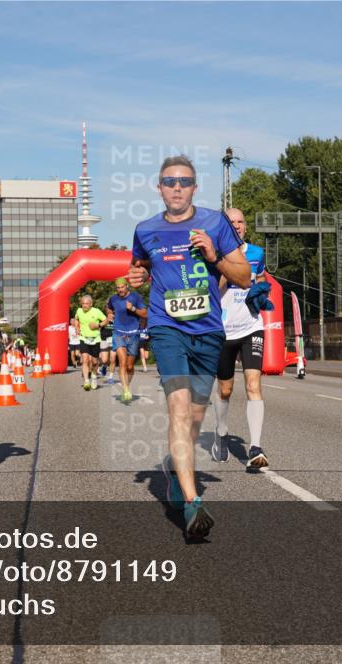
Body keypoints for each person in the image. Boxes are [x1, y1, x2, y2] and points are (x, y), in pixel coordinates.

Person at [127, 155, 250, 539]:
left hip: (209, 329)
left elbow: (244, 276)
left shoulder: (215, 222)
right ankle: (193, 503)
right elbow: (140, 269)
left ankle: (177, 477)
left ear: (195, 187)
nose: (176, 187)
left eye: (184, 182)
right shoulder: (145, 230)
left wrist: (214, 256)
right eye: (169, 181)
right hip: (167, 328)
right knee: (179, 411)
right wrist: (138, 275)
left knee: (195, 418)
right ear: (159, 187)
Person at [212, 208, 270, 469]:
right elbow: (213, 289)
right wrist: (226, 268)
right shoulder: (213, 255)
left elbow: (259, 279)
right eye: (231, 222)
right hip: (223, 330)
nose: (237, 226)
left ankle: (255, 448)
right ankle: (221, 433)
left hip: (251, 325)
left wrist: (260, 291)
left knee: (253, 383)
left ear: (245, 226)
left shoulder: (257, 253)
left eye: (240, 222)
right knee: (225, 389)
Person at [106, 277, 148, 402]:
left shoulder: (135, 297)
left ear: (127, 286)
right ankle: (125, 390)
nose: (120, 290)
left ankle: (127, 386)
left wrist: (133, 309)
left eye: (122, 287)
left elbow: (145, 314)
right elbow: (108, 307)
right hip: (118, 332)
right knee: (122, 361)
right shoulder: (113, 299)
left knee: (130, 366)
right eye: (118, 288)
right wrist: (109, 313)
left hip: (134, 334)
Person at [74, 294, 105, 391]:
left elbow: (106, 320)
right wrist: (77, 328)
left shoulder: (96, 311)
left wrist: (98, 325)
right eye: (83, 303)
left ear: (91, 304)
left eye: (87, 304)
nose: (84, 305)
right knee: (85, 359)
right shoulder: (79, 311)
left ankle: (94, 377)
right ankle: (86, 381)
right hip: (84, 338)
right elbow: (76, 319)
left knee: (94, 362)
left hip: (95, 339)